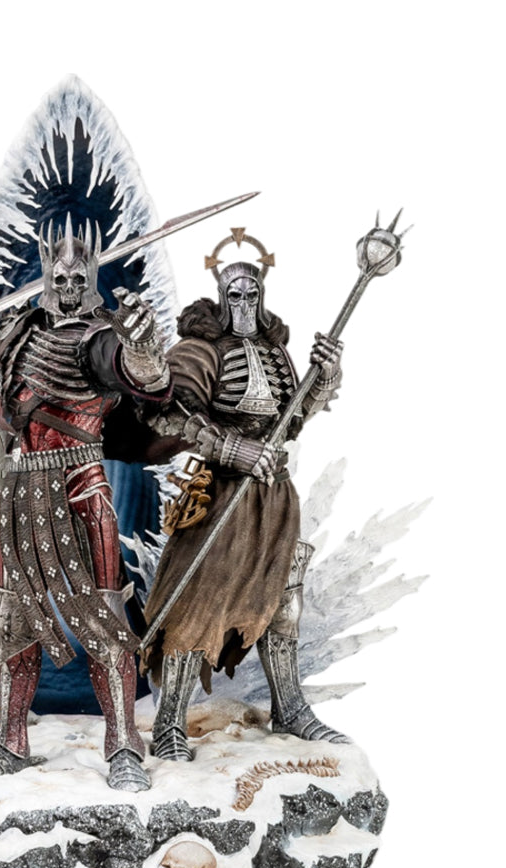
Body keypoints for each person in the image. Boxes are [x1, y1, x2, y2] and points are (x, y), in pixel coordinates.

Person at [0, 216, 170, 791]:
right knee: (13, 620)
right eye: (61, 277)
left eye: (81, 278)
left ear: (92, 279)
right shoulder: (18, 336)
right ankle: (11, 741)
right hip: (18, 494)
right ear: (47, 275)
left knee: (105, 616)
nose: (70, 287)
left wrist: (142, 345)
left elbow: (144, 377)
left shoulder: (102, 337)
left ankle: (122, 744)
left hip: (83, 487)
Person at [141, 239, 348, 761]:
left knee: (283, 602)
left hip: (274, 497)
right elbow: (169, 414)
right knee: (196, 603)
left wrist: (322, 379)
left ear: (261, 295)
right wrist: (235, 449)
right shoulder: (199, 349)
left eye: (251, 294)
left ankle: (290, 708)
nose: (243, 303)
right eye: (234, 294)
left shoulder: (276, 352)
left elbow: (291, 421)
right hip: (219, 494)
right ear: (221, 296)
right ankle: (169, 724)